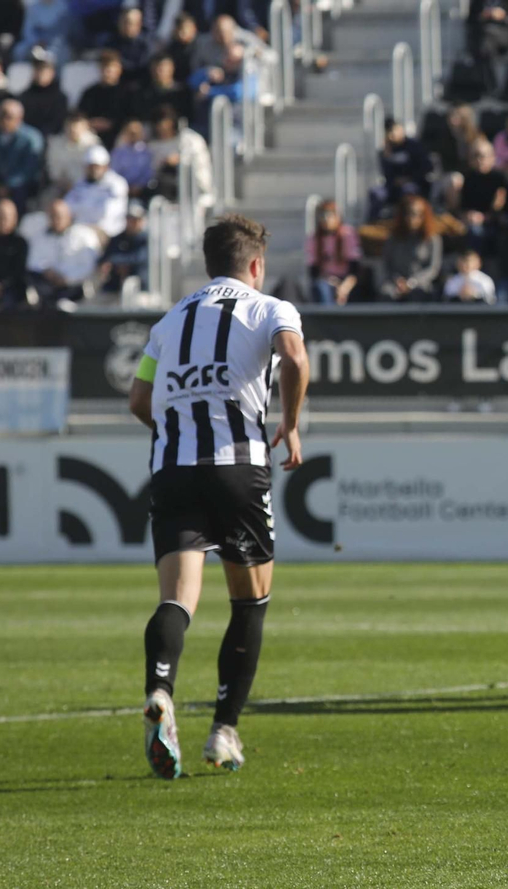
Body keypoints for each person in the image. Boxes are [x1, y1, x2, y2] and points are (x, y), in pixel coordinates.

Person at [127, 214, 310, 780]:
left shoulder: (169, 321)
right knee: (249, 602)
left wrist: (178, 429)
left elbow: (138, 399)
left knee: (177, 600)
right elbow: (294, 358)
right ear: (255, 264)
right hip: (237, 468)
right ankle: (223, 731)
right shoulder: (270, 307)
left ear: (209, 265)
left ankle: (161, 691)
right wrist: (290, 423)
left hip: (173, 469)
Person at [26, 199, 101, 307]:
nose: (56, 220)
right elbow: (33, 262)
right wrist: (47, 271)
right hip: (48, 286)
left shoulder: (84, 235)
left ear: (69, 216)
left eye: (59, 216)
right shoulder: (40, 237)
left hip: (75, 286)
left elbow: (89, 266)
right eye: (52, 216)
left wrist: (67, 279)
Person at [0, 99, 44, 208]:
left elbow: (29, 169)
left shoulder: (31, 138)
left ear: (19, 118)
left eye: (8, 117)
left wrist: (8, 185)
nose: (4, 120)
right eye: (0, 116)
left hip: (21, 186)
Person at [377, 195, 443, 300]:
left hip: (420, 283)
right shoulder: (393, 238)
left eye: (416, 214)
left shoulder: (432, 239)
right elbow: (386, 264)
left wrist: (412, 282)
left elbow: (433, 268)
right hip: (395, 283)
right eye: (407, 214)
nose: (411, 218)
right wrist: (397, 279)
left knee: (418, 294)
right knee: (387, 293)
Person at [65, 145, 130, 240]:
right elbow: (67, 207)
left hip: (107, 233)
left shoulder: (116, 184)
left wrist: (82, 212)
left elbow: (107, 213)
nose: (93, 170)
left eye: (96, 167)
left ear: (105, 166)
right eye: (90, 167)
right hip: (81, 230)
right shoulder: (79, 184)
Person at [305, 199, 360, 305]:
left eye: (330, 215)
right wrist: (331, 281)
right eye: (322, 215)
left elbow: (355, 270)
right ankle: (327, 314)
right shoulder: (314, 238)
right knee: (322, 288)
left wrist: (343, 289)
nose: (326, 219)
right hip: (326, 280)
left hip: (347, 282)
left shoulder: (347, 234)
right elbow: (313, 272)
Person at [79, 51, 134, 148]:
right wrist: (91, 123)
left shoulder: (128, 92)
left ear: (119, 69)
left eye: (110, 69)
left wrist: (111, 124)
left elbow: (131, 116)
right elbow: (81, 114)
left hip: (119, 133)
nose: (107, 73)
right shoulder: (90, 92)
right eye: (104, 68)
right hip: (93, 133)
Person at [45, 111, 99, 197]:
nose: (73, 130)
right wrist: (66, 186)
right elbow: (54, 172)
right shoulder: (55, 143)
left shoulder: (94, 144)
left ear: (86, 126)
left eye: (77, 127)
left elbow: (96, 170)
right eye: (70, 126)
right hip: (60, 188)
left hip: (88, 189)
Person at [99, 203, 149, 293]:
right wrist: (108, 263)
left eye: (136, 220)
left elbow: (138, 258)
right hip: (114, 287)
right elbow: (106, 257)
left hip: (140, 287)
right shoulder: (117, 239)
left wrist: (117, 262)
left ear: (141, 221)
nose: (132, 223)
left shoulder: (146, 239)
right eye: (130, 219)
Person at [19, 54, 67, 137]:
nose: (40, 73)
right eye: (37, 69)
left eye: (44, 69)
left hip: (50, 138)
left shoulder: (60, 98)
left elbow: (57, 124)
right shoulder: (24, 96)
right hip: (26, 137)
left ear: (52, 72)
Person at [109, 119, 154, 198]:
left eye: (136, 133)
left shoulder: (147, 152)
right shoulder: (118, 152)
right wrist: (123, 186)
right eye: (131, 133)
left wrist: (139, 186)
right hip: (120, 189)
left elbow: (149, 172)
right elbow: (113, 172)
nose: (134, 135)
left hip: (142, 190)